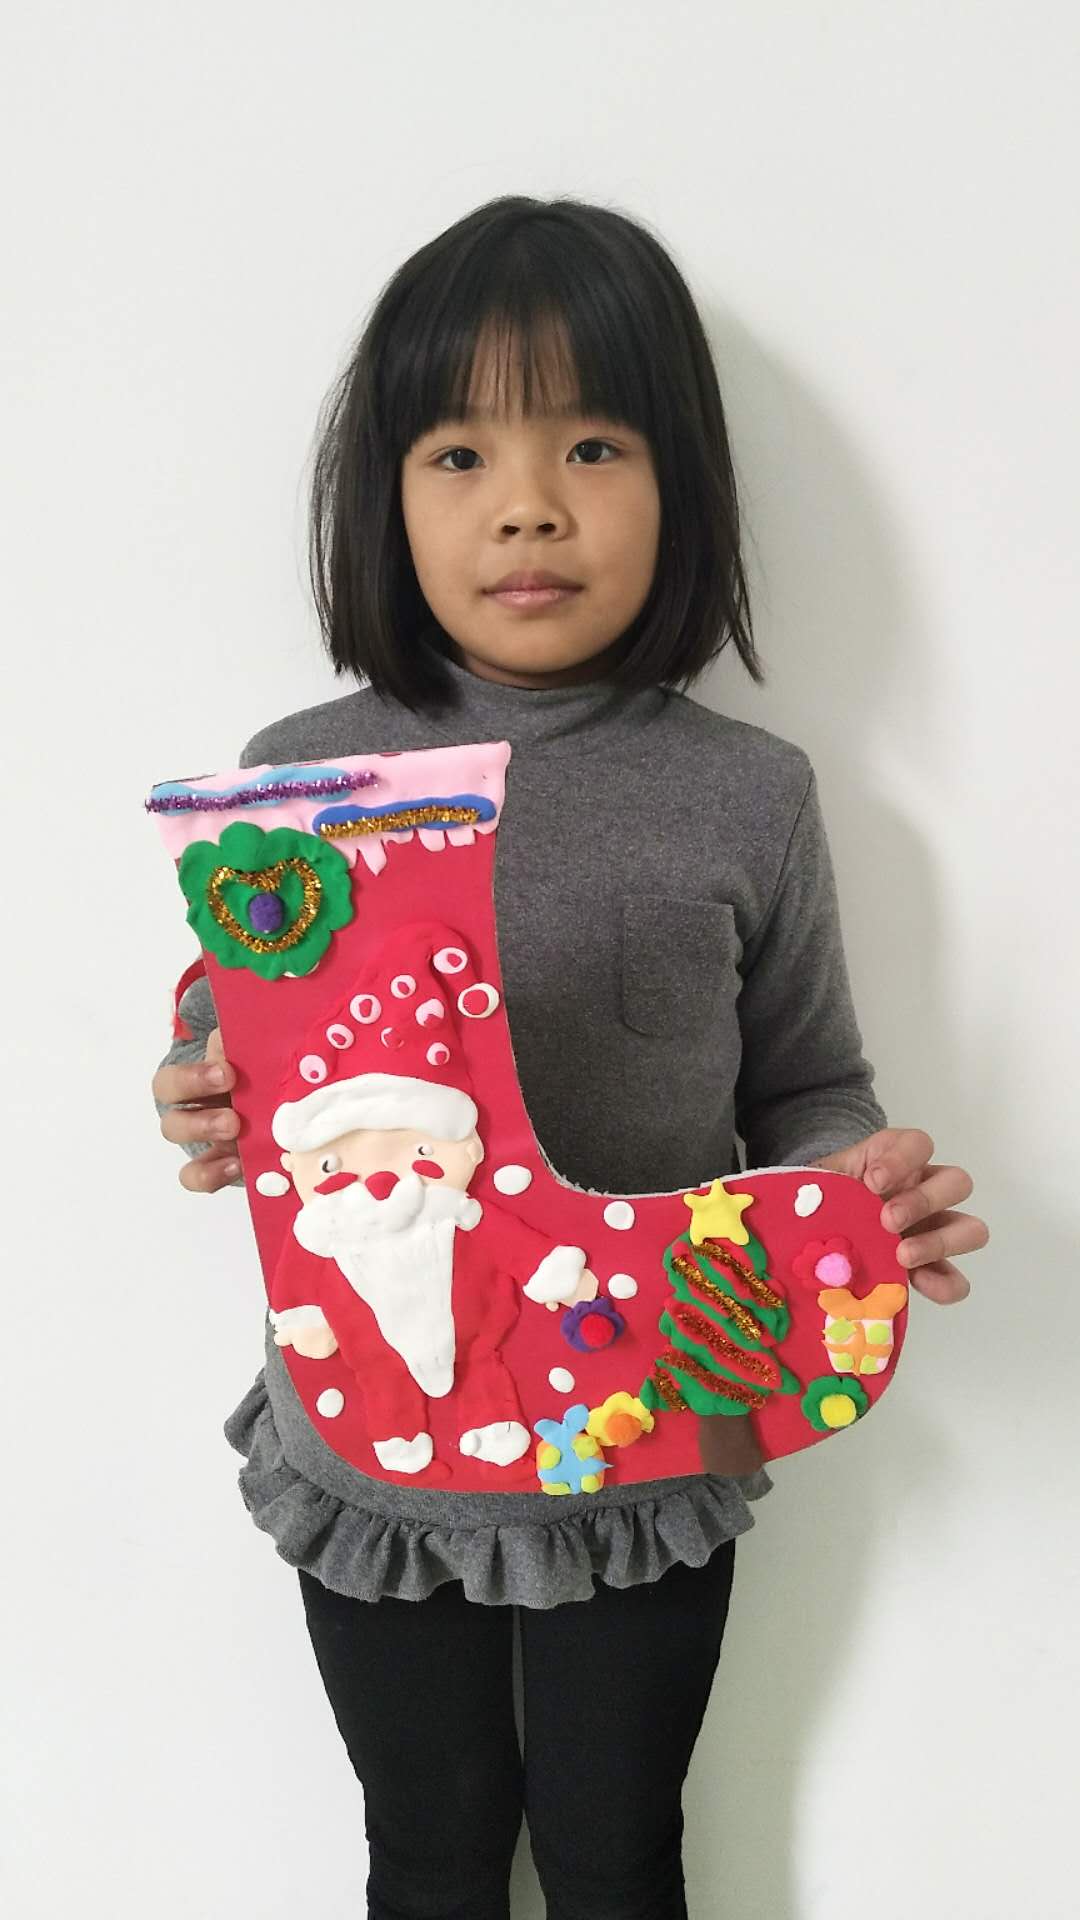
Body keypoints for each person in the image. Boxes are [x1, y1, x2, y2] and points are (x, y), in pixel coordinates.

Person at [150, 195, 988, 1920]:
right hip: (379, 1439)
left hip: (648, 1423)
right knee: (430, 1849)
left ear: (682, 484)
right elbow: (244, 1032)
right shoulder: (300, 786)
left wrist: (847, 1188)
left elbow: (807, 1082)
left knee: (616, 1853)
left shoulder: (747, 794)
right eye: (459, 452)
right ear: (383, 494)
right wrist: (200, 1088)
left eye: (592, 445)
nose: (527, 502)